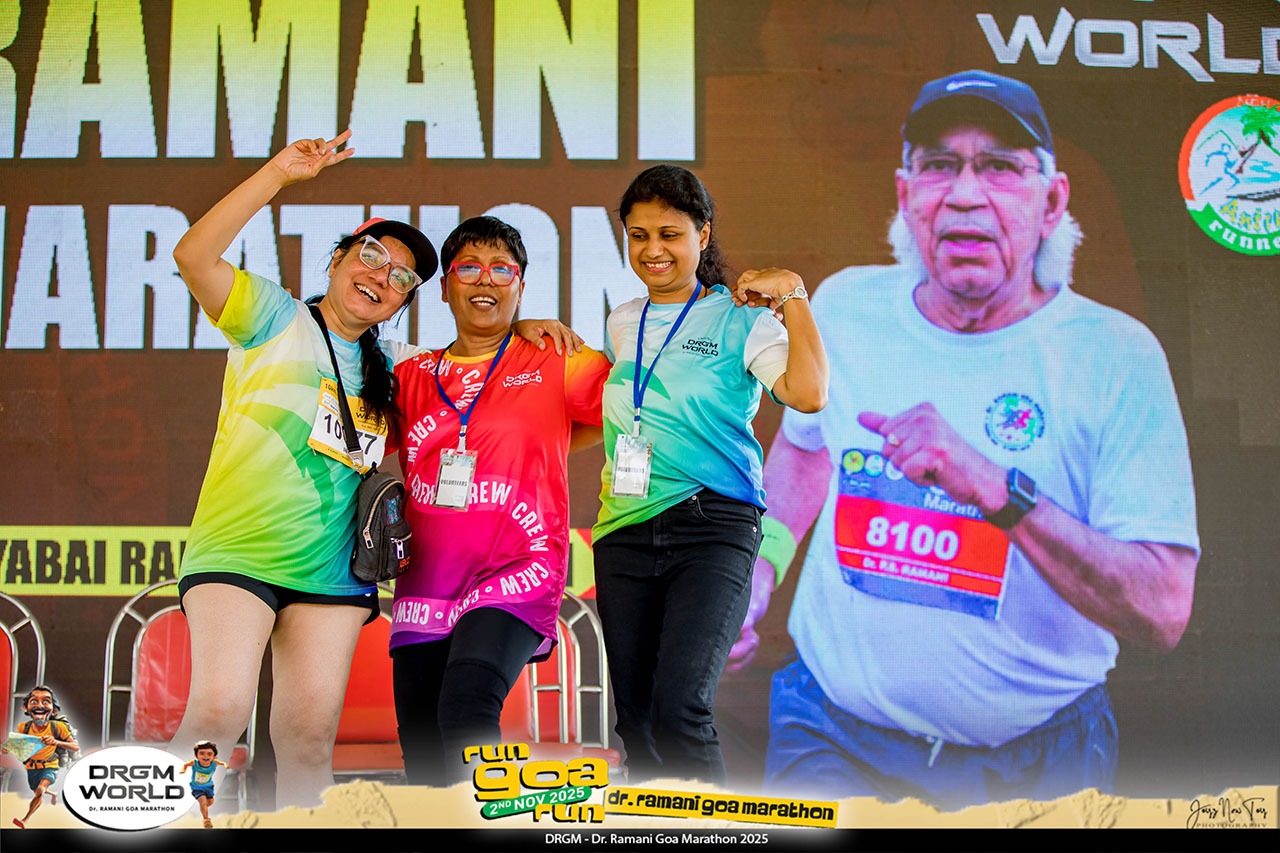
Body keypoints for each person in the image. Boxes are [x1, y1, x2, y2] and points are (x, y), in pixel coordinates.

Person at [732, 70, 1200, 809]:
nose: (965, 194)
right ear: (905, 194)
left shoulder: (1115, 356)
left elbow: (1162, 611)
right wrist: (757, 574)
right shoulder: (845, 308)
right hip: (832, 734)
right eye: (939, 165)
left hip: (1039, 759)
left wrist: (995, 488)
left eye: (1001, 167)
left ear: (1053, 202)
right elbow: (807, 450)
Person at [168, 132, 578, 808]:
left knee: (306, 743)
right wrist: (277, 175)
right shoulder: (272, 317)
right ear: (337, 259)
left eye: (401, 278)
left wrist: (522, 322)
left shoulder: (399, 365)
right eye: (371, 256)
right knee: (217, 714)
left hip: (332, 575)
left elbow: (477, 361)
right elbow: (192, 256)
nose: (381, 277)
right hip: (239, 555)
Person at [591, 165, 829, 786]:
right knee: (637, 721)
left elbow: (808, 394)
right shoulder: (622, 321)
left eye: (669, 234)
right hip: (622, 530)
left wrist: (794, 296)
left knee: (680, 709)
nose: (653, 250)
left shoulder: (741, 319)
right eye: (638, 235)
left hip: (713, 525)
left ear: (702, 234)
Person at [389, 216, 611, 786]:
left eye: (501, 269)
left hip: (517, 569)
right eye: (468, 268)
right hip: (426, 581)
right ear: (444, 287)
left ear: (521, 285)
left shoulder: (555, 358)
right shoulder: (410, 375)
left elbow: (628, 408)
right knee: (423, 752)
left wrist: (551, 437)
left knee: (467, 711)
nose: (485, 279)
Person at [5, 686, 78, 828]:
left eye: (46, 702)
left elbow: (75, 746)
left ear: (54, 710)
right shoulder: (23, 727)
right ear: (25, 708)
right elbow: (18, 745)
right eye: (34, 701)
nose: (39, 706)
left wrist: (56, 742)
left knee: (39, 791)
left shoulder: (58, 727)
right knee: (37, 791)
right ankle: (53, 794)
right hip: (32, 767)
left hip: (50, 766)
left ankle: (24, 820)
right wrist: (7, 748)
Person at [181, 740, 229, 829]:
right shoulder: (194, 763)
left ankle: (201, 808)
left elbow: (222, 763)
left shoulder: (214, 763)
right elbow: (186, 765)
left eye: (209, 754)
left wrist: (225, 765)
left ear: (214, 757)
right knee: (203, 802)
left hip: (208, 787)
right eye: (202, 753)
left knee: (210, 802)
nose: (205, 756)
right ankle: (206, 821)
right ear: (196, 755)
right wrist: (183, 770)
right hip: (197, 787)